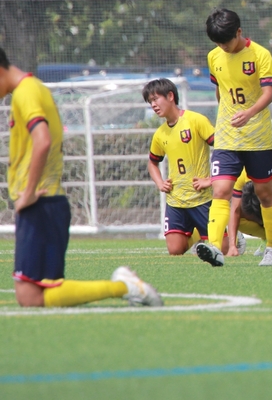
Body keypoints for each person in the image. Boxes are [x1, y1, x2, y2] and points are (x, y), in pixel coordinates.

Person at [0, 47, 161, 308]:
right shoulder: (31, 88)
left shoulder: (26, 92)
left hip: (41, 202)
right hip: (44, 203)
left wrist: (28, 194)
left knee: (30, 296)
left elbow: (42, 141)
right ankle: (123, 285)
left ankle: (124, 287)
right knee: (30, 295)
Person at [197, 8, 272, 267]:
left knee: (264, 193)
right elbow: (220, 91)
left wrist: (249, 113)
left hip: (258, 138)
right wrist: (225, 117)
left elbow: (268, 94)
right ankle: (214, 248)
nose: (222, 47)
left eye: (226, 41)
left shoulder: (260, 54)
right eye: (217, 43)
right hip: (226, 137)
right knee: (221, 190)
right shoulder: (214, 56)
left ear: (239, 32)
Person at [144, 78, 218, 255]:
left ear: (170, 96)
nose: (153, 105)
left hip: (202, 198)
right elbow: (152, 163)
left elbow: (223, 149)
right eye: (150, 102)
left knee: (220, 249)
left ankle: (227, 234)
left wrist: (211, 180)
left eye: (155, 99)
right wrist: (160, 183)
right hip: (176, 201)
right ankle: (196, 235)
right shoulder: (160, 134)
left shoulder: (196, 120)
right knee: (175, 250)